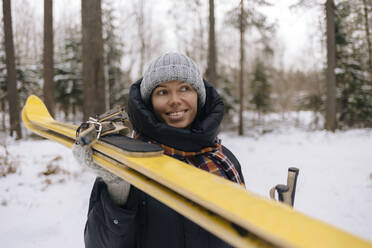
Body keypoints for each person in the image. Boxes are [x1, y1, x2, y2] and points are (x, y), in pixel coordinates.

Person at [73, 52, 245, 248]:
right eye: (162, 92)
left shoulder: (224, 160)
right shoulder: (130, 161)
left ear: (199, 96)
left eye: (185, 88)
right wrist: (117, 189)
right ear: (149, 102)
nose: (175, 100)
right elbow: (99, 244)